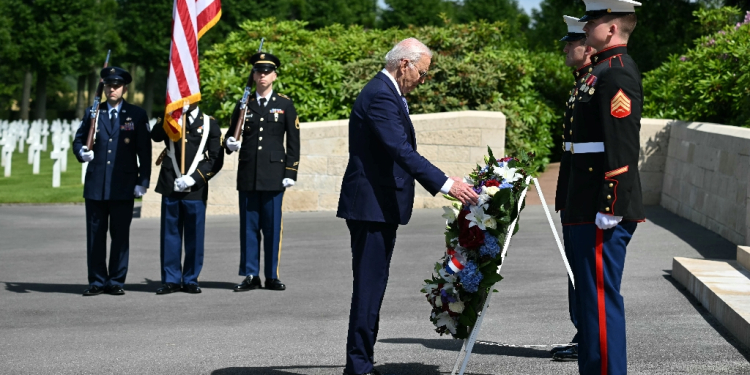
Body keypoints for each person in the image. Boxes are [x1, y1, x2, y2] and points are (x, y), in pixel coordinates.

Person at [336, 38, 479, 375]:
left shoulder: (387, 93)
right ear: (405, 64)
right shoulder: (381, 95)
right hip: (371, 206)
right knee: (369, 287)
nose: (422, 80)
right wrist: (448, 184)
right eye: (423, 73)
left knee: (373, 285)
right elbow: (401, 150)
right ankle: (358, 366)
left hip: (377, 206)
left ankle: (361, 362)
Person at [564, 0, 645, 373]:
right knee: (589, 304)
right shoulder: (599, 71)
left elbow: (622, 146)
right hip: (584, 202)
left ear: (611, 27)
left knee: (599, 299)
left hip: (600, 206)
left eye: (593, 20)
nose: (587, 26)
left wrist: (611, 206)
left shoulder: (617, 73)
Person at [72, 67, 152, 296]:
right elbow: (78, 141)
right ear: (104, 87)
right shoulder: (93, 112)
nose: (112, 89)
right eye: (108, 85)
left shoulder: (136, 114)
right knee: (95, 236)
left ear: (125, 88)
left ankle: (116, 280)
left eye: (116, 85)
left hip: (124, 185)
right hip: (97, 185)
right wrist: (82, 152)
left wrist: (142, 181)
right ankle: (97, 281)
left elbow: (144, 151)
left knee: (120, 236)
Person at [224, 52, 299, 292]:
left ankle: (272, 275)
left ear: (275, 75)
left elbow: (294, 141)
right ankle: (250, 274)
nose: (263, 75)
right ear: (253, 75)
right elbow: (231, 134)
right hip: (248, 174)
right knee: (248, 228)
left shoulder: (284, 104)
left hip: (274, 174)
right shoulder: (244, 104)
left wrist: (291, 171)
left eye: (267, 71)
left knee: (272, 227)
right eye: (258, 71)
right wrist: (229, 143)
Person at [552, 14, 597, 363]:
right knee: (575, 271)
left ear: (589, 47)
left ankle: (589, 337)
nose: (567, 47)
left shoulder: (595, 83)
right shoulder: (581, 83)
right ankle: (584, 333)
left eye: (572, 42)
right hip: (574, 194)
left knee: (584, 271)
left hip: (587, 196)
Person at [150, 105, 223, 294]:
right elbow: (156, 135)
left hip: (195, 188)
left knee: (194, 235)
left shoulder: (209, 123)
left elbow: (216, 158)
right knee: (170, 235)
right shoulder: (170, 117)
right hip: (170, 183)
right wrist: (169, 115)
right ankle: (171, 280)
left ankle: (191, 278)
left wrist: (195, 178)